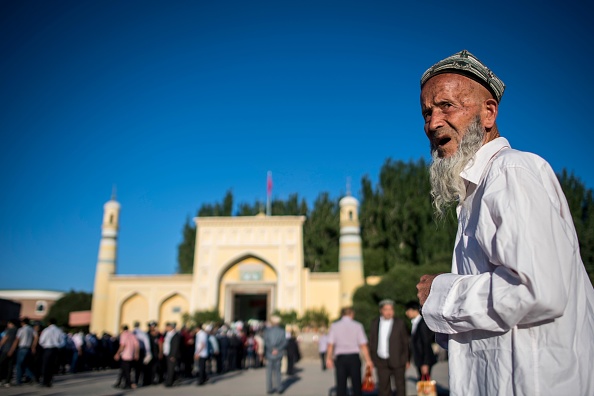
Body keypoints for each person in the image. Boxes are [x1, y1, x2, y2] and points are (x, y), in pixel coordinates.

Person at [416, 49, 594, 395]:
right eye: (427, 112)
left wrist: (441, 292)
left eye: (446, 106)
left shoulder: (510, 172)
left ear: (488, 112)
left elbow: (535, 289)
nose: (433, 123)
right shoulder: (476, 193)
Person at [326, 307, 373, 396]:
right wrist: (368, 360)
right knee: (356, 384)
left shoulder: (334, 326)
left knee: (341, 385)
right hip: (354, 358)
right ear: (352, 314)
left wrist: (328, 358)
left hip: (340, 359)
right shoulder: (358, 325)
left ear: (341, 315)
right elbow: (363, 345)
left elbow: (330, 344)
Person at [368, 299, 408, 396]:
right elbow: (372, 341)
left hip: (397, 360)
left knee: (400, 386)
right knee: (383, 387)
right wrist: (372, 358)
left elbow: (405, 343)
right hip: (381, 360)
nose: (389, 312)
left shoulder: (400, 323)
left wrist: (406, 359)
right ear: (381, 310)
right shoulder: (375, 323)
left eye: (391, 309)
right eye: (386, 309)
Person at [404, 301, 436, 380]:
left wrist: (425, 363)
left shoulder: (422, 324)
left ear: (414, 310)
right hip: (420, 359)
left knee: (425, 384)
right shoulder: (416, 323)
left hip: (424, 360)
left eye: (408, 310)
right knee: (423, 382)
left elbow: (426, 343)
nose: (406, 313)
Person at [263, 315, 286, 394]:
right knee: (278, 372)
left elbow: (266, 342)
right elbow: (284, 342)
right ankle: (279, 388)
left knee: (269, 372)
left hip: (269, 354)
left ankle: (269, 389)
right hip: (278, 354)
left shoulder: (267, 331)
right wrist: (277, 349)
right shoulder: (282, 331)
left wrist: (271, 349)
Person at [38, 318, 64, 387]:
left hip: (47, 349)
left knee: (45, 365)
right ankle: (49, 381)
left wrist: (45, 346)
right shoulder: (59, 330)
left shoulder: (46, 330)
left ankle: (45, 381)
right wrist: (58, 346)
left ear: (49, 323)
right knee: (52, 366)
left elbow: (41, 341)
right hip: (55, 349)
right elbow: (62, 342)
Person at [12, 317, 38, 385]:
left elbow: (17, 339)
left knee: (19, 365)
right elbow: (36, 337)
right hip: (28, 348)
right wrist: (33, 346)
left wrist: (13, 348)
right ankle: (32, 377)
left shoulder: (21, 329)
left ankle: (18, 381)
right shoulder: (31, 329)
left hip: (22, 348)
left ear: (23, 322)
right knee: (26, 364)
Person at [113, 325, 139, 390]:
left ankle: (128, 384)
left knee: (126, 371)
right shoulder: (132, 335)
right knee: (124, 369)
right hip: (131, 355)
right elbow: (137, 345)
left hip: (125, 355)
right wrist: (136, 354)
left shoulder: (123, 335)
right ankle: (118, 383)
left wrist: (117, 353)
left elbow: (122, 345)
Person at [162, 322, 181, 387]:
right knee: (168, 368)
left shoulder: (175, 335)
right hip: (167, 353)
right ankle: (172, 379)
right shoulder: (167, 334)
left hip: (171, 354)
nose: (166, 328)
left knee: (171, 368)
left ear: (171, 327)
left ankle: (169, 382)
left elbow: (175, 346)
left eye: (167, 327)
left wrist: (173, 355)